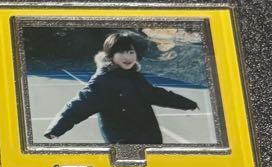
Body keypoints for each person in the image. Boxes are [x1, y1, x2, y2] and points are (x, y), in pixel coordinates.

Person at [43, 29, 198, 144]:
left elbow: (156, 94)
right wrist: (56, 129)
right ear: (110, 56)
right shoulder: (102, 80)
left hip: (149, 138)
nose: (127, 57)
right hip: (122, 141)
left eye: (131, 52)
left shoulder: (135, 76)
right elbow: (79, 105)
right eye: (121, 53)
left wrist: (186, 103)